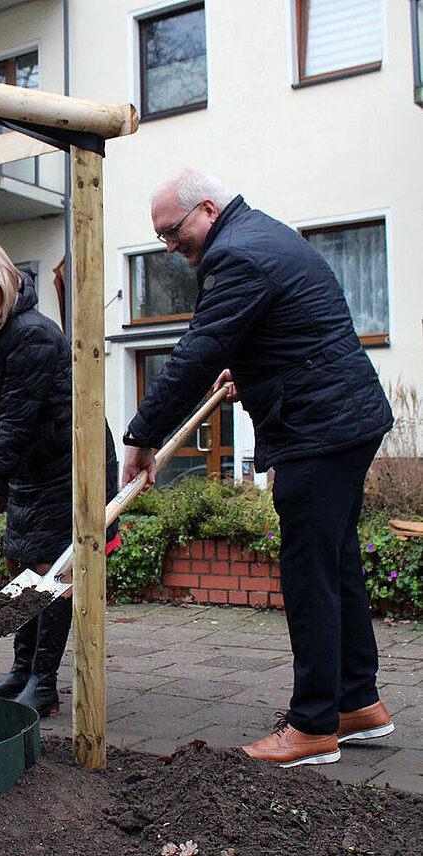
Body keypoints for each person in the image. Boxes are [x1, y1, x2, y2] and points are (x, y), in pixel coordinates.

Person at [121, 170, 395, 767]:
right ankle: (357, 702)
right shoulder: (263, 234)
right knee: (336, 561)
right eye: (162, 238)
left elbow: (198, 350)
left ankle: (313, 726)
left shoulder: (236, 256)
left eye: (173, 232)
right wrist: (257, 372)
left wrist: (142, 435)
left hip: (320, 430)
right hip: (343, 418)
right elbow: (298, 328)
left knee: (308, 574)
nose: (170, 247)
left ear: (208, 210)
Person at [0, 241, 119, 717]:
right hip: (30, 460)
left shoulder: (33, 335)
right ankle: (22, 670)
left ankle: (43, 684)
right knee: (21, 563)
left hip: (70, 465)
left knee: (51, 569)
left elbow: (20, 416)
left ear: (8, 285)